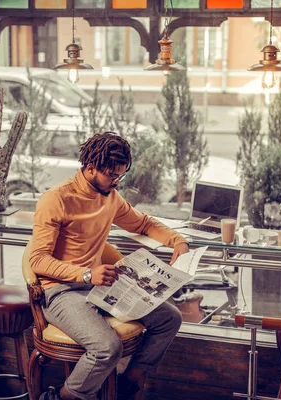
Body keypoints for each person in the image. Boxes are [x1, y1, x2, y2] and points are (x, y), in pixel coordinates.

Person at [29, 132, 190, 400]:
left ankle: (128, 384)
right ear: (90, 167)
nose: (116, 183)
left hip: (99, 287)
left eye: (121, 176)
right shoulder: (56, 199)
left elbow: (144, 223)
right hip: (60, 291)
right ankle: (61, 397)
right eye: (111, 176)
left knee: (169, 318)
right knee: (107, 347)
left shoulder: (110, 197)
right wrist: (86, 274)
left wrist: (178, 241)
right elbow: (38, 260)